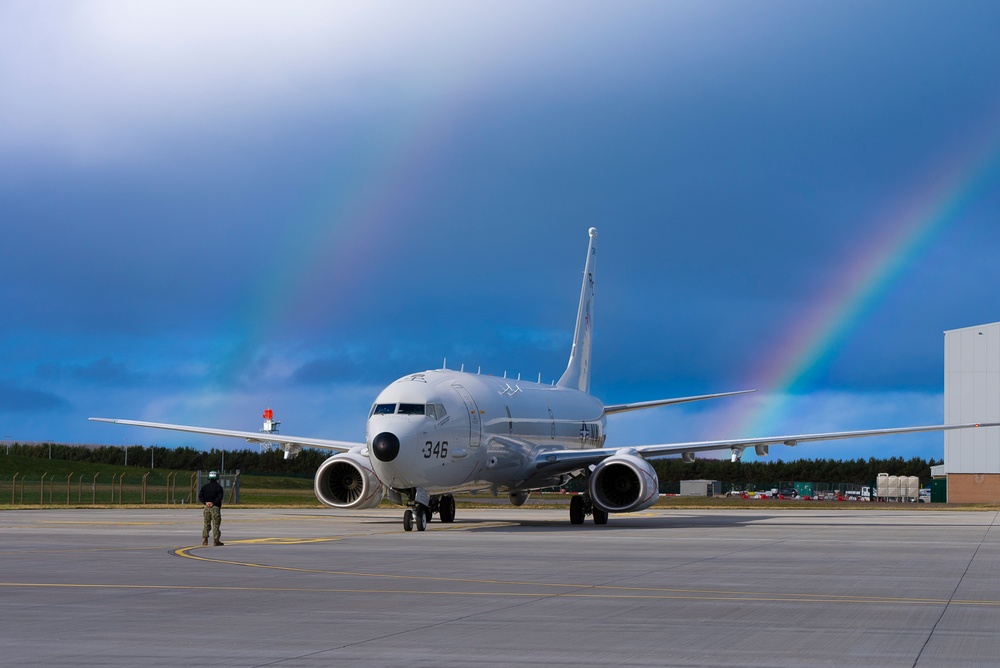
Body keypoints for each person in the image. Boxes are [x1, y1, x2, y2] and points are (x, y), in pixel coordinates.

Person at [198, 470, 225, 546]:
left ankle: (205, 539)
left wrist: (206, 502)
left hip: (206, 507)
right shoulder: (219, 487)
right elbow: (220, 497)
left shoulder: (204, 487)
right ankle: (216, 540)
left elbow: (200, 496)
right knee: (216, 524)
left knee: (206, 523)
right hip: (215, 507)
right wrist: (214, 503)